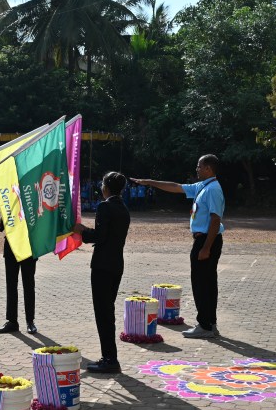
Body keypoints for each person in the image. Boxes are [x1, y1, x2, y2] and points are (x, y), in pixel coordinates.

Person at [132, 154, 225, 339]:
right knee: (206, 283)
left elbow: (215, 219)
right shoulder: (203, 186)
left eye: (199, 166)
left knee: (201, 284)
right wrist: (150, 182)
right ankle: (210, 323)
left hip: (207, 240)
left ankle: (205, 325)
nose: (196, 169)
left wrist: (206, 247)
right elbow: (175, 187)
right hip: (204, 239)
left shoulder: (213, 189)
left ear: (208, 168)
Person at [73, 172, 131, 373]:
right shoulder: (123, 208)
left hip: (103, 266)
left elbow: (99, 235)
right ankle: (109, 356)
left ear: (106, 187)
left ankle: (109, 358)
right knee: (108, 311)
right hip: (116, 265)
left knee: (103, 313)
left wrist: (81, 230)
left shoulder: (105, 207)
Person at [0, 220, 38, 335]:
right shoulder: (11, 201)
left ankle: (30, 321)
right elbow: (8, 216)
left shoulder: (31, 201)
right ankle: (12, 321)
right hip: (11, 245)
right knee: (11, 285)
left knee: (28, 285)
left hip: (29, 245)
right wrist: (0, 223)